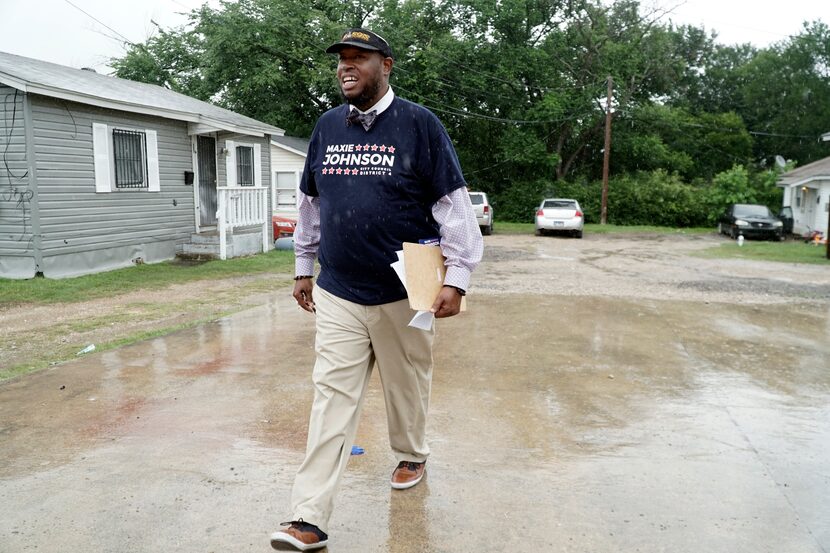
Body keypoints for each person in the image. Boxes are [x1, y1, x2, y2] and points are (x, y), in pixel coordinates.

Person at [270, 27, 483, 551]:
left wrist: (457, 278)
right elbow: (310, 205)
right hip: (340, 287)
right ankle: (307, 516)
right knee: (331, 400)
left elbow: (453, 207)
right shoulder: (326, 128)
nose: (346, 67)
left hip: (409, 283)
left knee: (406, 385)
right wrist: (304, 266)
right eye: (341, 60)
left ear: (385, 65)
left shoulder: (419, 125)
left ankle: (412, 453)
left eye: (358, 59)